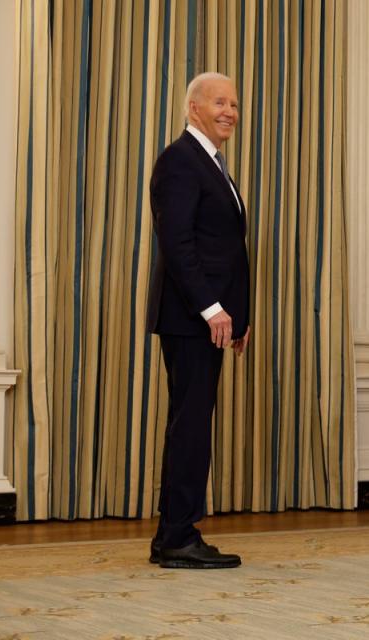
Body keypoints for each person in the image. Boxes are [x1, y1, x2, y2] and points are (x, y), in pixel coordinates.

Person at [145, 72, 250, 569]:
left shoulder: (211, 163)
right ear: (193, 108)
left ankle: (172, 533)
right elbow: (179, 244)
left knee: (191, 424)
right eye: (219, 102)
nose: (230, 110)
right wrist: (212, 308)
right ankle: (178, 537)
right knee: (190, 427)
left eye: (234, 103)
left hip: (210, 320)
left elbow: (225, 248)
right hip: (191, 318)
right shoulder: (181, 162)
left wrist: (238, 316)